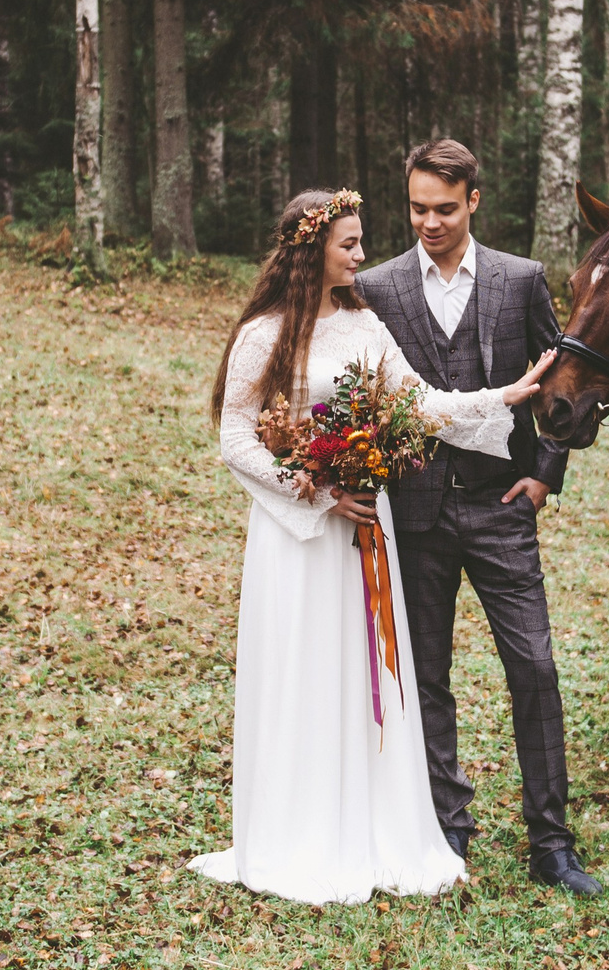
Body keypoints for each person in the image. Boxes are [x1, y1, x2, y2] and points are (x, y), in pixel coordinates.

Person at [192, 188, 552, 906]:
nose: (362, 255)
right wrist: (316, 491)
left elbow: (417, 402)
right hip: (299, 534)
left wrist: (503, 398)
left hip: (365, 526)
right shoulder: (264, 333)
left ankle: (371, 820)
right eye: (349, 244)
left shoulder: (364, 324)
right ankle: (298, 828)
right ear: (312, 249)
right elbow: (235, 437)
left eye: (361, 242)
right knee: (305, 665)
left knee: (363, 671)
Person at [353, 139, 600, 896]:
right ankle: (445, 827)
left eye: (445, 209)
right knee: (427, 675)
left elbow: (561, 381)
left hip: (501, 508)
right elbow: (360, 390)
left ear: (474, 202)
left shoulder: (520, 280)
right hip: (413, 513)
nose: (429, 223)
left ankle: (550, 842)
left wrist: (545, 474)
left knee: (535, 668)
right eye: (417, 209)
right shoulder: (376, 286)